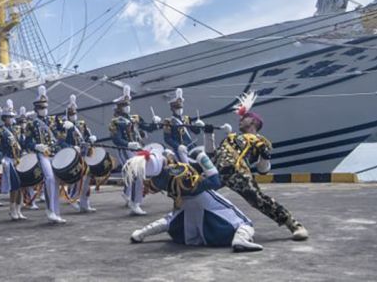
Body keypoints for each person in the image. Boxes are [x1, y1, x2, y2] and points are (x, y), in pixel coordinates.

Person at [209, 91, 309, 241]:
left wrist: (265, 156)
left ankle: (294, 224)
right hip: (217, 172)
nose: (240, 121)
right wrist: (207, 134)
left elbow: (263, 170)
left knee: (257, 199)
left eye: (244, 118)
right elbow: (211, 154)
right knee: (192, 190)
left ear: (254, 122)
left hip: (238, 173)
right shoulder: (230, 138)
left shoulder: (259, 140)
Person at [127, 144, 263, 252]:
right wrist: (203, 159)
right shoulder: (179, 171)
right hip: (205, 201)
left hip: (184, 206)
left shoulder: (158, 180)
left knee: (170, 219)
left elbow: (164, 179)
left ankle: (141, 233)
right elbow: (214, 182)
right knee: (244, 222)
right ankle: (240, 239)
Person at [23, 85, 65, 224]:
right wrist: (35, 146)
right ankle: (50, 210)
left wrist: (66, 129)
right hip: (43, 154)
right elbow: (27, 142)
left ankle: (56, 212)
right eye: (41, 108)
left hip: (54, 153)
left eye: (45, 107)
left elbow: (61, 137)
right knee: (49, 178)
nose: (44, 110)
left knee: (56, 181)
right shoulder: (32, 124)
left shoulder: (53, 120)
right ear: (36, 109)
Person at [109, 84, 147, 215]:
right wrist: (128, 144)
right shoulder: (115, 121)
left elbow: (146, 127)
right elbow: (116, 139)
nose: (127, 107)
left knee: (136, 173)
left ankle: (128, 195)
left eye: (128, 104)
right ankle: (135, 202)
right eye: (125, 105)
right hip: (125, 150)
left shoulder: (134, 118)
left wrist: (154, 122)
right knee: (136, 173)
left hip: (137, 148)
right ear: (119, 107)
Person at [59, 95, 98, 213]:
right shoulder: (65, 126)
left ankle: (85, 203)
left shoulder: (81, 124)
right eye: (71, 113)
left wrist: (91, 138)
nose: (73, 115)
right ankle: (73, 198)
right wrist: (71, 147)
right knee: (77, 179)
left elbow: (86, 135)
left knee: (87, 180)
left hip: (84, 154)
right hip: (73, 156)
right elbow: (60, 142)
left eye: (74, 113)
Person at [0, 100, 26, 220]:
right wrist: (1, 159)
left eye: (12, 117)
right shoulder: (0, 131)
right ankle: (12, 209)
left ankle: (18, 209)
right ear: (4, 118)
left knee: (21, 185)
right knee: (15, 185)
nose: (11, 119)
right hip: (8, 159)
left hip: (18, 159)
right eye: (9, 117)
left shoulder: (16, 130)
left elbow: (21, 143)